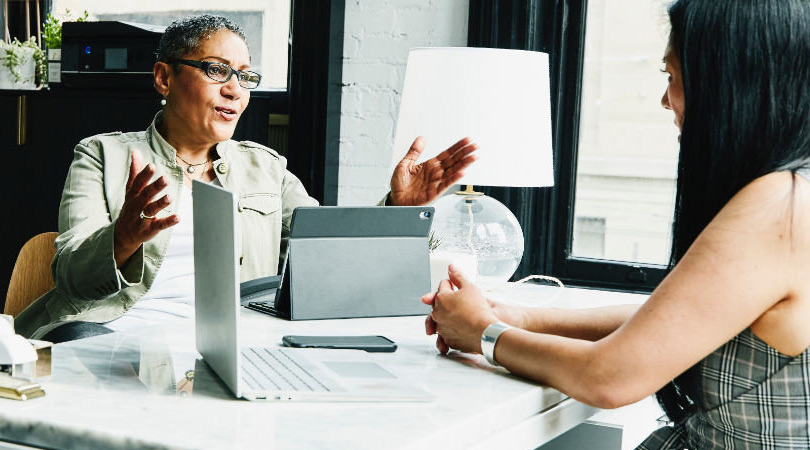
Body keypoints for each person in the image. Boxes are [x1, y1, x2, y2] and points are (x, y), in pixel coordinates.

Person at [423, 1, 810, 448]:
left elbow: (609, 377)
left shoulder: (784, 205)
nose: (666, 100)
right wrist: (520, 317)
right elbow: (676, 320)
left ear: (729, 81)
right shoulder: (791, 190)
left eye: (671, 76)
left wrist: (484, 333)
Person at [15, 15, 477, 343]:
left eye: (245, 75)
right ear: (164, 78)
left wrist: (399, 209)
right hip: (108, 333)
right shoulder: (103, 155)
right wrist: (124, 237)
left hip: (232, 346)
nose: (235, 89)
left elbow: (328, 251)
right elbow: (71, 276)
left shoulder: (266, 167)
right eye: (217, 70)